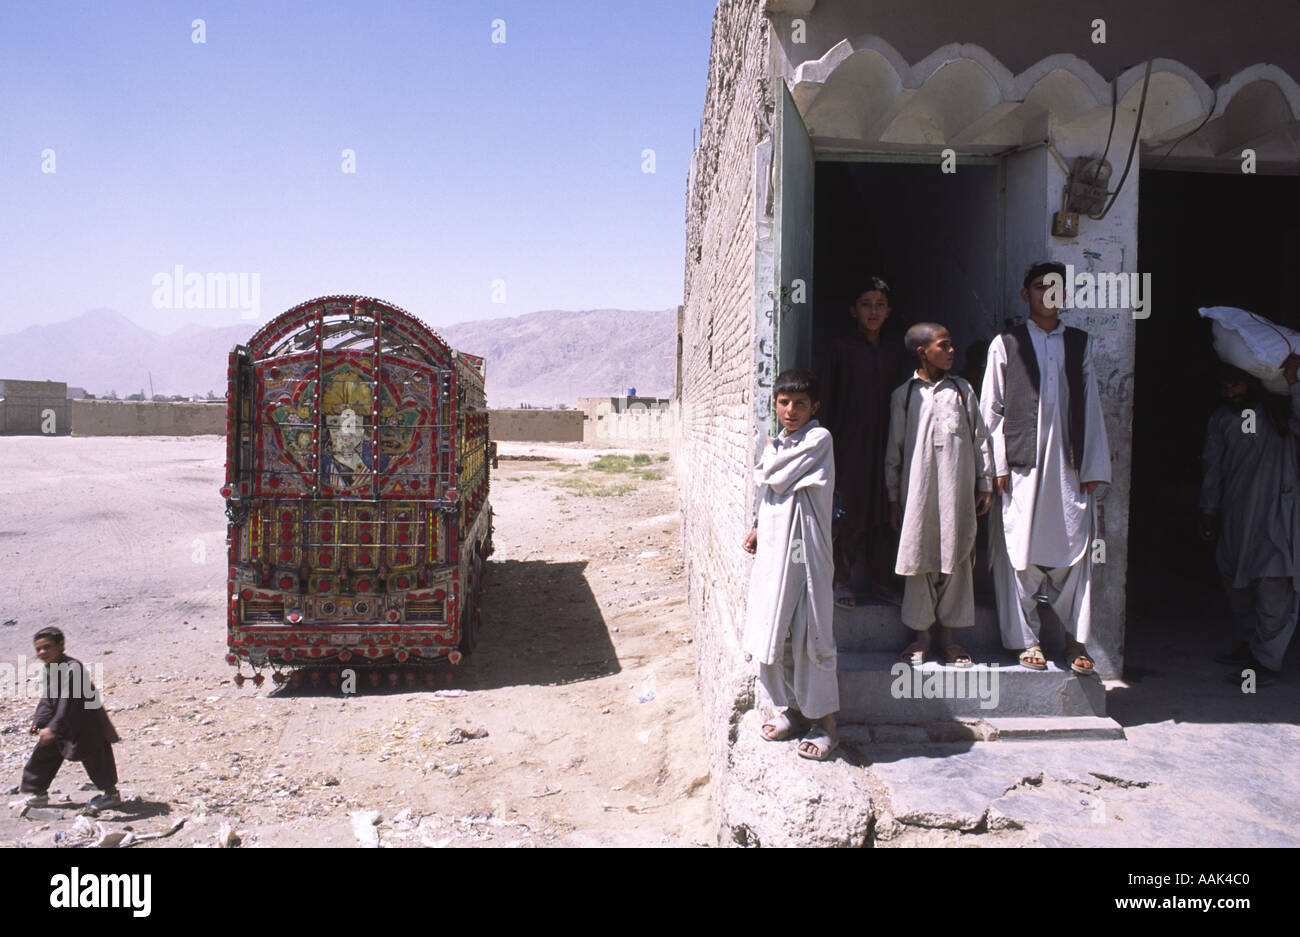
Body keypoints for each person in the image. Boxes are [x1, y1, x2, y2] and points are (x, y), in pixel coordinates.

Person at [981, 262, 1111, 674]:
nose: (1049, 295)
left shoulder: (1079, 343)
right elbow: (992, 410)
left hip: (1070, 468)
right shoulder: (1006, 344)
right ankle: (1026, 641)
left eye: (1057, 288)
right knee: (1018, 550)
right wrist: (995, 465)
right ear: (1026, 295)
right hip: (1021, 466)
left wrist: (1092, 465)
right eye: (1041, 287)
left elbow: (1091, 405)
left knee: (1076, 551)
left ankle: (1077, 643)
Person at [741, 369, 839, 760]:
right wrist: (757, 528)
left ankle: (827, 724)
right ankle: (793, 712)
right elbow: (770, 493)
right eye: (784, 402)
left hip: (807, 550)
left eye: (800, 404)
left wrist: (766, 459)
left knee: (811, 630)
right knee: (775, 630)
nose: (791, 410)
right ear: (775, 404)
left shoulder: (818, 439)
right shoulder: (779, 442)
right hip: (776, 552)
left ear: (814, 407)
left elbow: (774, 477)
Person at [885, 324, 994, 666]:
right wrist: (892, 496)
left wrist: (985, 482)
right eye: (943, 346)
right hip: (917, 492)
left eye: (951, 345)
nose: (951, 351)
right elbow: (895, 449)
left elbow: (980, 439)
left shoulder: (962, 390)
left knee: (959, 554)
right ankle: (922, 636)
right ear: (922, 351)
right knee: (919, 556)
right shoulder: (905, 394)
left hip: (957, 491)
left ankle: (950, 638)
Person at [1199, 359, 1300, 686]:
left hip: (1277, 515)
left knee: (1273, 583)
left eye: (1237, 384)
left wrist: (1293, 383)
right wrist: (1209, 510)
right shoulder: (1221, 419)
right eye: (1226, 386)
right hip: (1238, 515)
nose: (1231, 391)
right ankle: (1249, 645)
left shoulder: (1281, 415)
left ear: (1254, 383)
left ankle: (1267, 660)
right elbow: (1212, 468)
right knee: (1234, 578)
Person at [819, 276, 908, 607]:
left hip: (887, 442)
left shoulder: (895, 350)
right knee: (849, 509)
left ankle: (882, 583)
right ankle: (842, 579)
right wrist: (826, 443)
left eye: (880, 305)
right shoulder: (841, 348)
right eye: (866, 305)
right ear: (853, 311)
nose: (873, 311)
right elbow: (826, 397)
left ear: (889, 311)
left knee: (885, 510)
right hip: (850, 442)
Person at [10, 627, 122, 810]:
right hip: (62, 722)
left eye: (47, 647)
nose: (42, 653)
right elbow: (48, 698)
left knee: (96, 758)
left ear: (61, 645)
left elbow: (68, 701)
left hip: (86, 722)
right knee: (43, 756)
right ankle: (38, 795)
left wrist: (53, 728)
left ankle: (111, 795)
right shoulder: (50, 668)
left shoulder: (73, 668)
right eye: (38, 649)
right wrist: (38, 721)